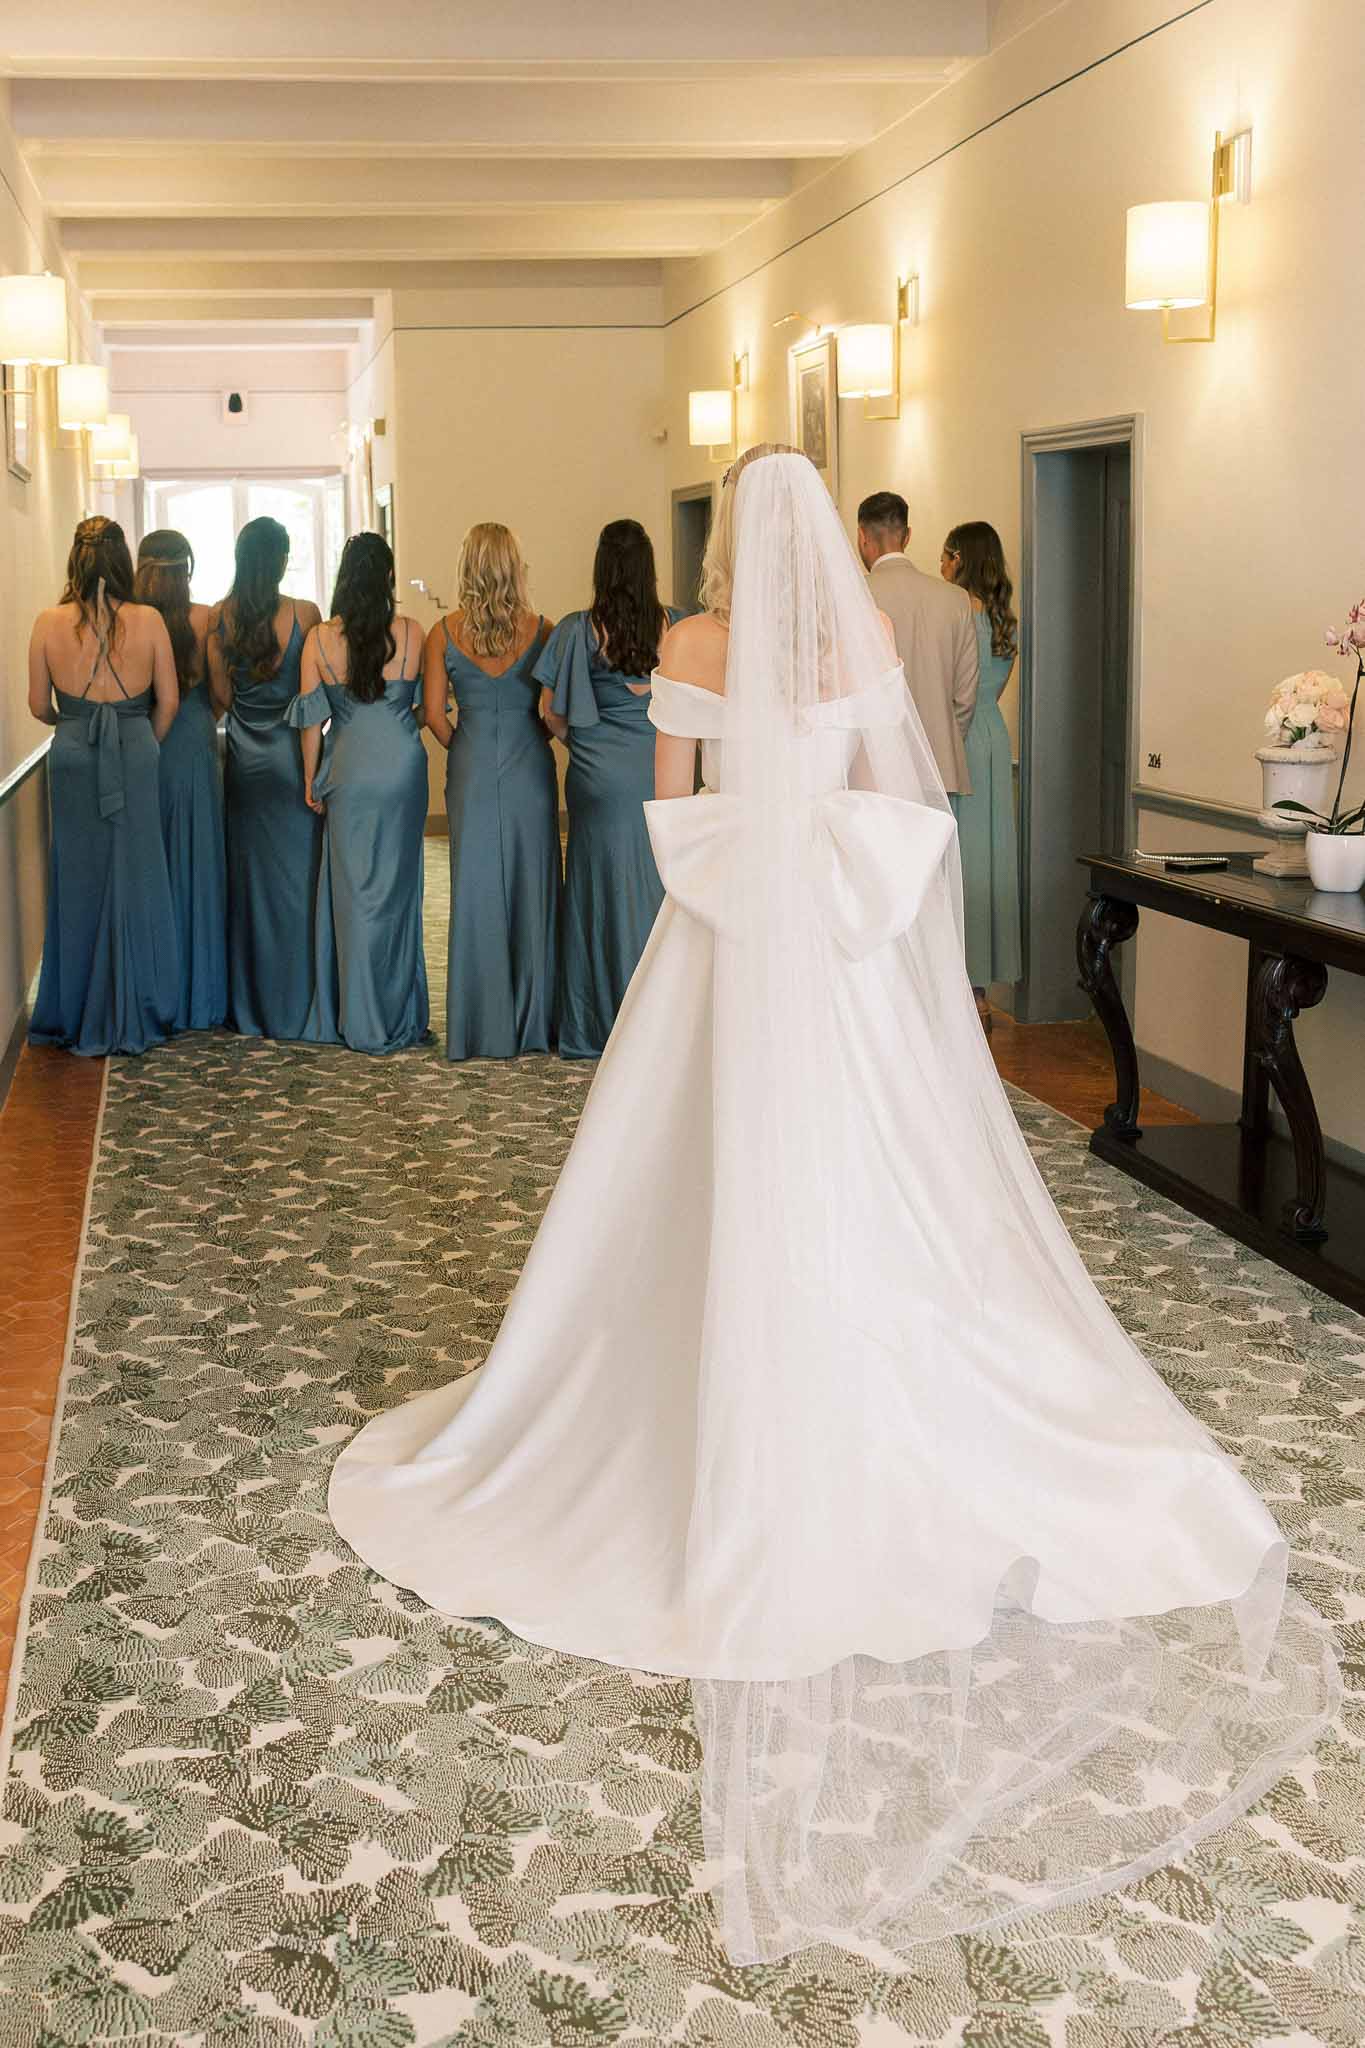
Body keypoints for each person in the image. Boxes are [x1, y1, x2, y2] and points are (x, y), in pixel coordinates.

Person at [330, 446, 1336, 1968]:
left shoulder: (688, 646)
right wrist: (832, 896)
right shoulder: (857, 643)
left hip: (723, 959)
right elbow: (902, 807)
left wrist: (753, 873)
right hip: (839, 968)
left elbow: (675, 823)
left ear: (734, 534)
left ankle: (702, 1409)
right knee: (883, 1189)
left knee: (684, 1190)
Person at [28, 517, 181, 1056]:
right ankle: (141, 1002)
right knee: (137, 872)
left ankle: (74, 1008)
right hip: (136, 748)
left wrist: (76, 724)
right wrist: (141, 741)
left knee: (78, 878)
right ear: (121, 562)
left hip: (71, 753)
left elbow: (36, 705)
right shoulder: (150, 619)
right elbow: (170, 702)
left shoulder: (48, 621)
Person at [535, 519, 682, 1059]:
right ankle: (659, 1023)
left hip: (597, 776)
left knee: (596, 893)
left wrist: (585, 748)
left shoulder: (578, 629)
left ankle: (598, 1021)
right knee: (660, 887)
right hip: (660, 770)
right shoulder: (677, 624)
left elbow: (550, 712)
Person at [423, 523, 558, 1060]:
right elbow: (551, 712)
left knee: (475, 889)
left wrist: (469, 741)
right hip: (529, 768)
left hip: (473, 766)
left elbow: (434, 716)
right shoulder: (543, 630)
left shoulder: (443, 632)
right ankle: (533, 1024)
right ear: (514, 567)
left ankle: (479, 1028)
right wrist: (530, 735)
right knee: (533, 886)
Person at [292, 534, 430, 1053]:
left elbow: (311, 721)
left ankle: (359, 1014)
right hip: (401, 767)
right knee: (399, 891)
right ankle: (399, 1011)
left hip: (347, 767)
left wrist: (311, 777)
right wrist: (394, 717)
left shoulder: (320, 641)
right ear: (389, 579)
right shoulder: (414, 633)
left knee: (352, 895)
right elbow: (422, 710)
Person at [207, 517, 322, 1040]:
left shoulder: (220, 618)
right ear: (280, 559)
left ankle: (251, 1004)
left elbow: (222, 699)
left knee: (249, 886)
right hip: (293, 760)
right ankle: (299, 999)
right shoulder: (306, 614)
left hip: (246, 767)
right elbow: (311, 703)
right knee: (297, 883)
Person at [135, 529, 228, 1034]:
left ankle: (154, 988)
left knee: (153, 863)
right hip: (192, 738)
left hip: (143, 740)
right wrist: (199, 717)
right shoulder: (204, 617)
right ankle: (199, 991)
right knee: (197, 860)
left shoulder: (129, 618)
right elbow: (220, 691)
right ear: (185, 570)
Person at [941, 522, 1024, 1022]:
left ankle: (953, 978)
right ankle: (979, 990)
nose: (941, 568)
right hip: (994, 735)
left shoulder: (956, 613)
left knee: (959, 858)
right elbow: (995, 685)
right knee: (989, 856)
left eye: (944, 558)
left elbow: (954, 687)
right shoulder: (1005, 620)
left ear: (959, 559)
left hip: (962, 733)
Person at [856, 489, 978, 796]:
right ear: (907, 535)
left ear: (862, 535)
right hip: (940, 767)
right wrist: (940, 743)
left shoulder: (851, 596)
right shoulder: (956, 599)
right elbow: (965, 697)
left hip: (870, 771)